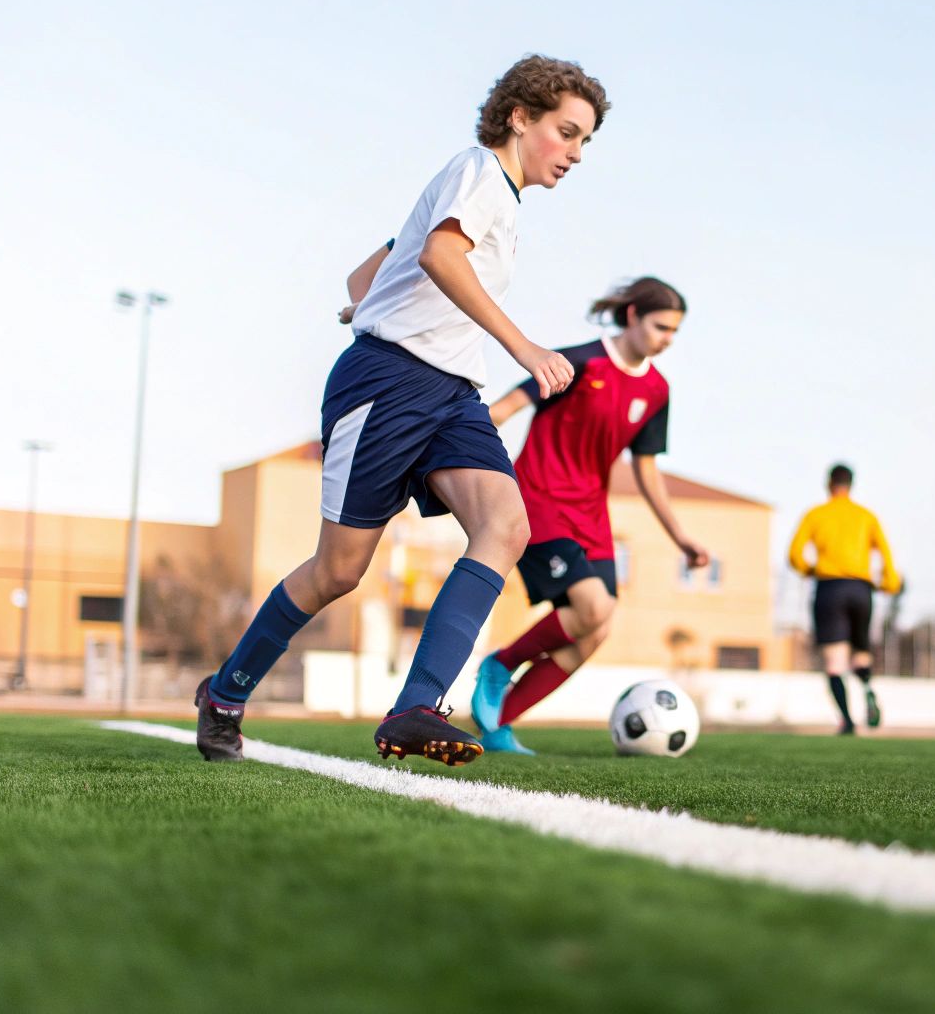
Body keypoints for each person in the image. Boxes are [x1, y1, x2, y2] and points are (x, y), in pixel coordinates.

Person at [192, 55, 608, 766]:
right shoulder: (479, 171)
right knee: (337, 572)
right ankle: (225, 693)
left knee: (505, 527)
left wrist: (369, 301)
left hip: (450, 395)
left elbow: (374, 271)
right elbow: (442, 256)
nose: (573, 153)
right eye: (566, 133)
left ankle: (418, 705)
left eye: (584, 143)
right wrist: (524, 347)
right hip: (387, 383)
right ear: (520, 116)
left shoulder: (499, 200)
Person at [469, 277, 710, 755]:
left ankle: (499, 727)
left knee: (595, 632)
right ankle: (498, 665)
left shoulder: (657, 391)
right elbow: (503, 410)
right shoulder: (579, 362)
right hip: (539, 500)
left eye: (675, 332)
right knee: (591, 607)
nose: (667, 339)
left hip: (591, 515)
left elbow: (646, 470)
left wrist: (681, 537)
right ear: (633, 316)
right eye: (661, 327)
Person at [788, 464, 902, 734]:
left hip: (830, 588)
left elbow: (795, 554)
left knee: (835, 661)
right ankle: (867, 688)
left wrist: (812, 570)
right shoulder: (866, 516)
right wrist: (889, 583)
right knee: (861, 653)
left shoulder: (816, 515)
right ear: (851, 485)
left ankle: (848, 721)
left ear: (829, 484)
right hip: (861, 589)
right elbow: (886, 554)